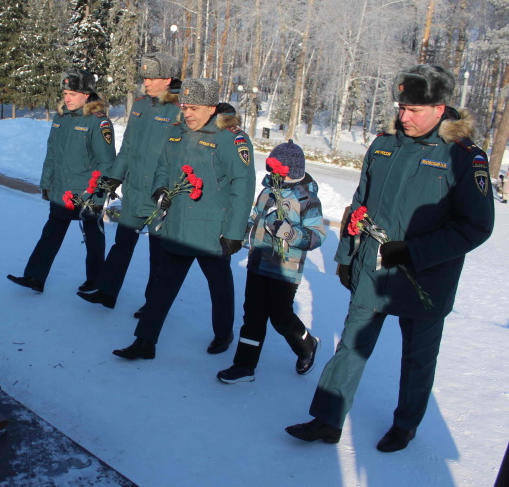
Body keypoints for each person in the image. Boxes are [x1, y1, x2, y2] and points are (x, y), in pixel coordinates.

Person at [286, 64, 494, 452]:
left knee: (418, 359)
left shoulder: (464, 156)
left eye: (414, 110)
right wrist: (347, 256)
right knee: (351, 345)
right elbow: (359, 206)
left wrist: (414, 251)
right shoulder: (384, 144)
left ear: (439, 107)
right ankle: (327, 419)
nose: (404, 116)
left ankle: (406, 424)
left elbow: (476, 226)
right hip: (373, 269)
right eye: (401, 107)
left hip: (426, 278)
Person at [112, 78, 256, 360]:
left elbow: (243, 187)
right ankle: (145, 341)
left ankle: (223, 332)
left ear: (212, 108)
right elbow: (163, 166)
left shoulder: (232, 139)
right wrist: (161, 189)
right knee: (163, 284)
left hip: (212, 231)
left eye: (194, 108)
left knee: (219, 284)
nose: (187, 113)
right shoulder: (177, 132)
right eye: (185, 106)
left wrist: (234, 232)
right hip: (178, 225)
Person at [77, 52, 181, 311]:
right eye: (144, 76)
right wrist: (114, 178)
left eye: (151, 77)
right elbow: (128, 147)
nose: (145, 82)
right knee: (122, 243)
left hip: (160, 195)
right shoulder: (141, 105)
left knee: (158, 255)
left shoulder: (180, 109)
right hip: (134, 190)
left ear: (167, 79)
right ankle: (106, 292)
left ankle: (152, 305)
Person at [217, 140, 325, 383]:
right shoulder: (266, 190)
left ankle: (307, 345)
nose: (272, 174)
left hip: (285, 269)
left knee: (280, 316)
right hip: (258, 262)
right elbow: (254, 217)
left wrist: (290, 233)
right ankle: (244, 366)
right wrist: (237, 234)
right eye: (271, 168)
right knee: (252, 315)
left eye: (278, 170)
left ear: (292, 171)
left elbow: (317, 235)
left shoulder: (307, 199)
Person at [7, 69, 116, 293]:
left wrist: (98, 195)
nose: (67, 98)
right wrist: (46, 182)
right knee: (50, 234)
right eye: (65, 93)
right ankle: (35, 277)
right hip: (61, 190)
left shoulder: (98, 123)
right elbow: (52, 154)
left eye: (73, 94)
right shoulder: (61, 117)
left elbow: (107, 163)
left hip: (86, 193)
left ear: (87, 95)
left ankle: (97, 281)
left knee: (93, 238)